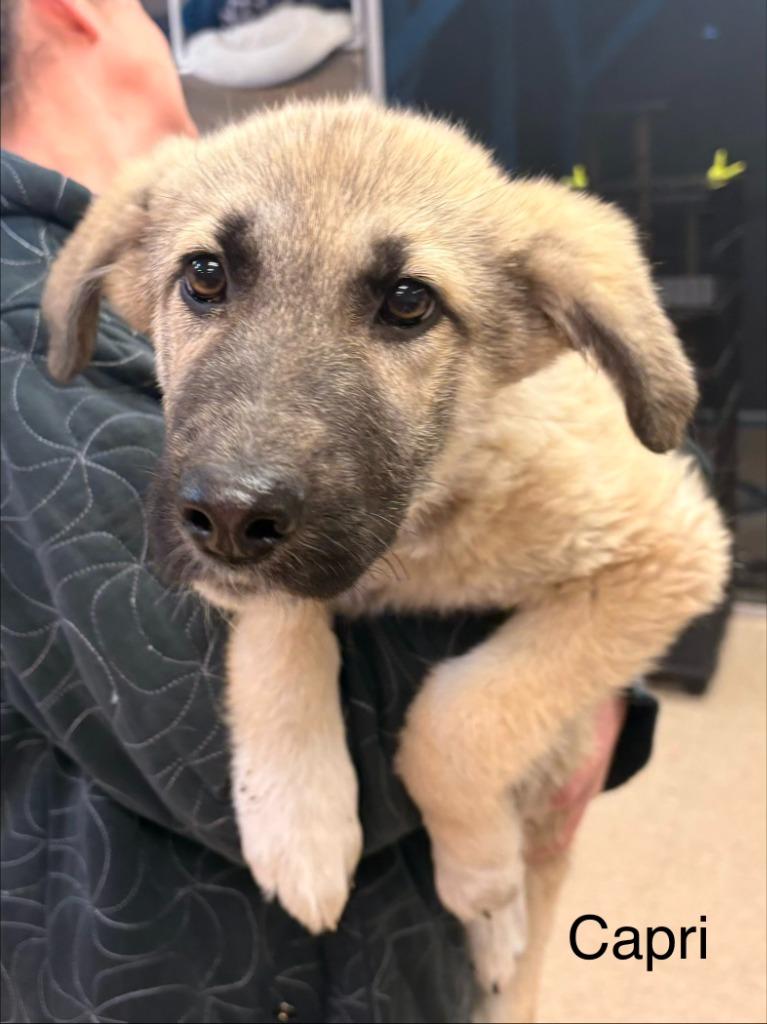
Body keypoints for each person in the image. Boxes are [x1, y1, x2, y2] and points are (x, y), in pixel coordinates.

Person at [0, 2, 656, 1021]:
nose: (233, 495)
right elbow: (194, 741)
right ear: (73, 13)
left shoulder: (177, 204)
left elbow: (652, 508)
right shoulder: (32, 302)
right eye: (207, 280)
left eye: (402, 305)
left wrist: (580, 677)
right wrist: (290, 644)